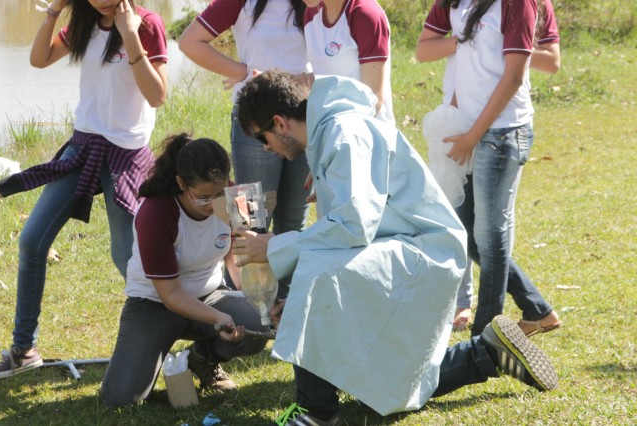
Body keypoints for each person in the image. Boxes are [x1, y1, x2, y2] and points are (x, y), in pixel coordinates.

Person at [233, 70, 558, 425]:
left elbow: (353, 226)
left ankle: (318, 413)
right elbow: (348, 233)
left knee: (315, 274)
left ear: (279, 123)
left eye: (261, 137)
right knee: (383, 387)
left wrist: (274, 246)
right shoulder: (331, 131)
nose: (265, 147)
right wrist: (297, 304)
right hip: (400, 247)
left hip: (424, 251)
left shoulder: (344, 133)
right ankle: (487, 353)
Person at [0, 0, 167, 379]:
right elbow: (39, 60)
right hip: (84, 146)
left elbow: (157, 96)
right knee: (32, 240)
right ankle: (24, 349)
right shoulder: (84, 22)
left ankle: (164, 341)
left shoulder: (147, 23)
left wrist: (129, 35)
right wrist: (53, 11)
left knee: (128, 259)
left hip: (126, 155)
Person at [415, 0, 562, 336]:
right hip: (466, 128)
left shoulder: (518, 3)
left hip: (502, 133)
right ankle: (537, 310)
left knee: (489, 233)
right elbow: (425, 50)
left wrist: (473, 136)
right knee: (465, 229)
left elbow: (513, 78)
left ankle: (487, 331)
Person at [100, 134, 268, 406]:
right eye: (203, 197)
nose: (213, 204)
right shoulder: (154, 213)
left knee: (256, 325)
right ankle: (155, 351)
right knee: (119, 399)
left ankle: (201, 359)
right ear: (180, 183)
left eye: (219, 193)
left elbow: (239, 254)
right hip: (154, 302)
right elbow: (171, 295)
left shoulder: (237, 197)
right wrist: (220, 318)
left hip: (210, 294)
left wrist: (255, 297)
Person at [178, 0, 311, 298]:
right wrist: (243, 71)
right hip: (255, 122)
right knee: (249, 222)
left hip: (304, 118)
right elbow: (190, 41)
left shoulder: (312, 3)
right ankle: (249, 304)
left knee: (293, 223)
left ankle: (288, 306)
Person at [303, 0, 394, 125]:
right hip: (327, 127)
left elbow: (373, 100)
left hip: (367, 133)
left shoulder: (366, 14)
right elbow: (323, 75)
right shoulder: (311, 13)